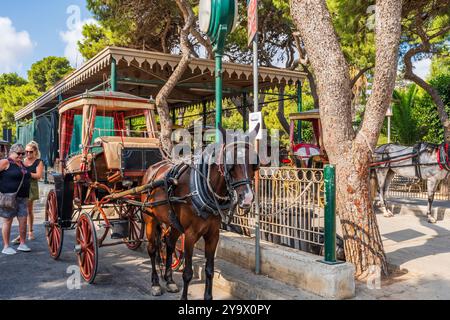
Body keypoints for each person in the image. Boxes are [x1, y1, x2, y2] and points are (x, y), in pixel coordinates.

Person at [0, 143, 31, 255]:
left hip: (22, 197)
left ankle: (22, 243)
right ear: (11, 152)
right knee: (7, 220)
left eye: (23, 153)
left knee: (23, 220)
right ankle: (6, 246)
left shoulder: (22, 165)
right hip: (8, 197)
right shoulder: (5, 162)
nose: (21, 155)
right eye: (18, 153)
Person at [12, 141, 43, 243]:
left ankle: (30, 231)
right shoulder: (22, 161)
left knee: (28, 210)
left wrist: (26, 172)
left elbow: (38, 176)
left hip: (31, 186)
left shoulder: (38, 162)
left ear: (35, 152)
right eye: (26, 152)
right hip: (20, 186)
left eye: (30, 151)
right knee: (21, 210)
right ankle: (22, 233)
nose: (28, 154)